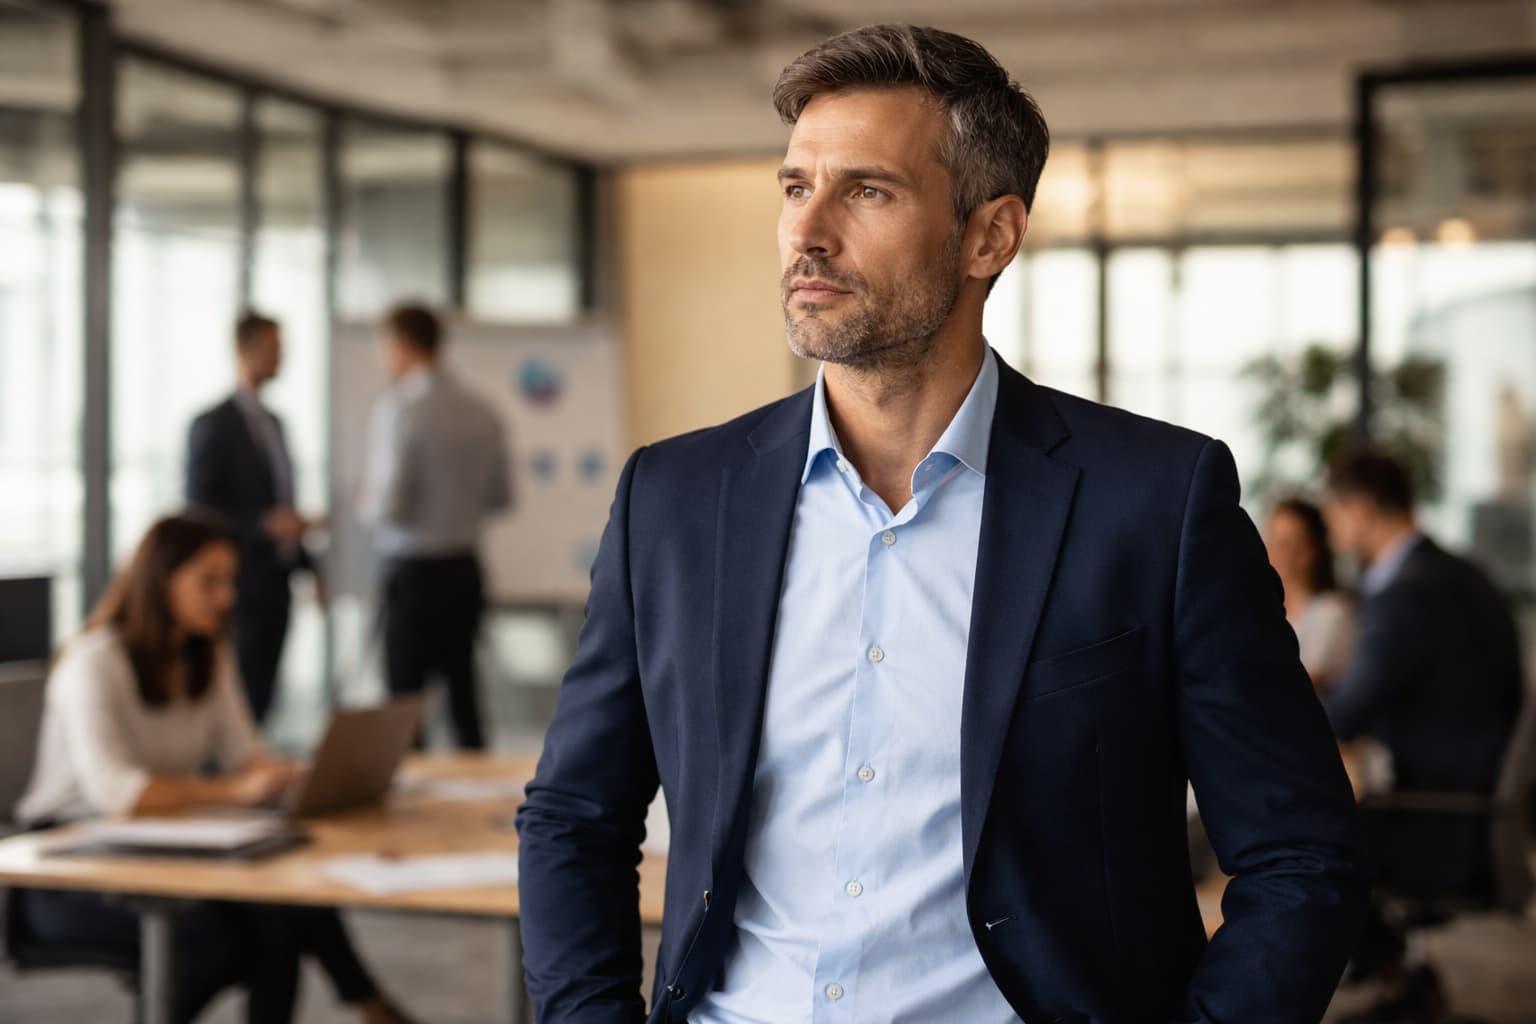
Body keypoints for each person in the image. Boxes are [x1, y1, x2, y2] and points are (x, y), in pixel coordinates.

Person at [517, 24, 1367, 1024]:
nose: (809, 232)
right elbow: (574, 816)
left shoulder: (1157, 499)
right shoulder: (673, 497)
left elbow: (1299, 855)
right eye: (796, 188)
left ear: (988, 237)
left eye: (866, 191)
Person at [13, 514, 417, 1024]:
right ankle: (372, 1005)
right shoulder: (94, 661)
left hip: (158, 850)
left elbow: (246, 756)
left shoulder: (208, 655)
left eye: (230, 580)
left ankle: (371, 1005)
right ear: (160, 580)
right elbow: (118, 793)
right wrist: (236, 791)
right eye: (210, 581)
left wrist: (285, 779)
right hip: (66, 870)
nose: (227, 597)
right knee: (222, 939)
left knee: (280, 913)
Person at [1321, 449, 1524, 1021]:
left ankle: (1394, 980)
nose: (1332, 530)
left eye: (1334, 515)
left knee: (1313, 837)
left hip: (1442, 817)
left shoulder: (1409, 592)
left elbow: (1347, 713)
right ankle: (1402, 981)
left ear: (1359, 510)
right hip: (1475, 806)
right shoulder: (1461, 574)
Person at [359, 304, 512, 750]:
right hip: (464, 569)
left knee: (405, 704)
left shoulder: (400, 408)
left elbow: (390, 502)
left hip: (412, 573)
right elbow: (501, 497)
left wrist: (363, 506)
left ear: (402, 344)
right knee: (463, 692)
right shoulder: (482, 409)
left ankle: (403, 812)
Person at [186, 312, 323, 725]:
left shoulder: (277, 424)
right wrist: (264, 525)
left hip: (277, 581)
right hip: (237, 584)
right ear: (244, 351)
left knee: (264, 697)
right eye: (273, 349)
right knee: (236, 698)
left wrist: (310, 567)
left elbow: (281, 502)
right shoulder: (213, 424)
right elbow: (200, 508)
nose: (281, 358)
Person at [1264, 497, 1356, 688]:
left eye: (1287, 544)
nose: (1275, 551)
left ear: (1311, 550)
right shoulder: (1261, 614)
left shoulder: (1331, 612)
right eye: (1272, 540)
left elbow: (1303, 683)